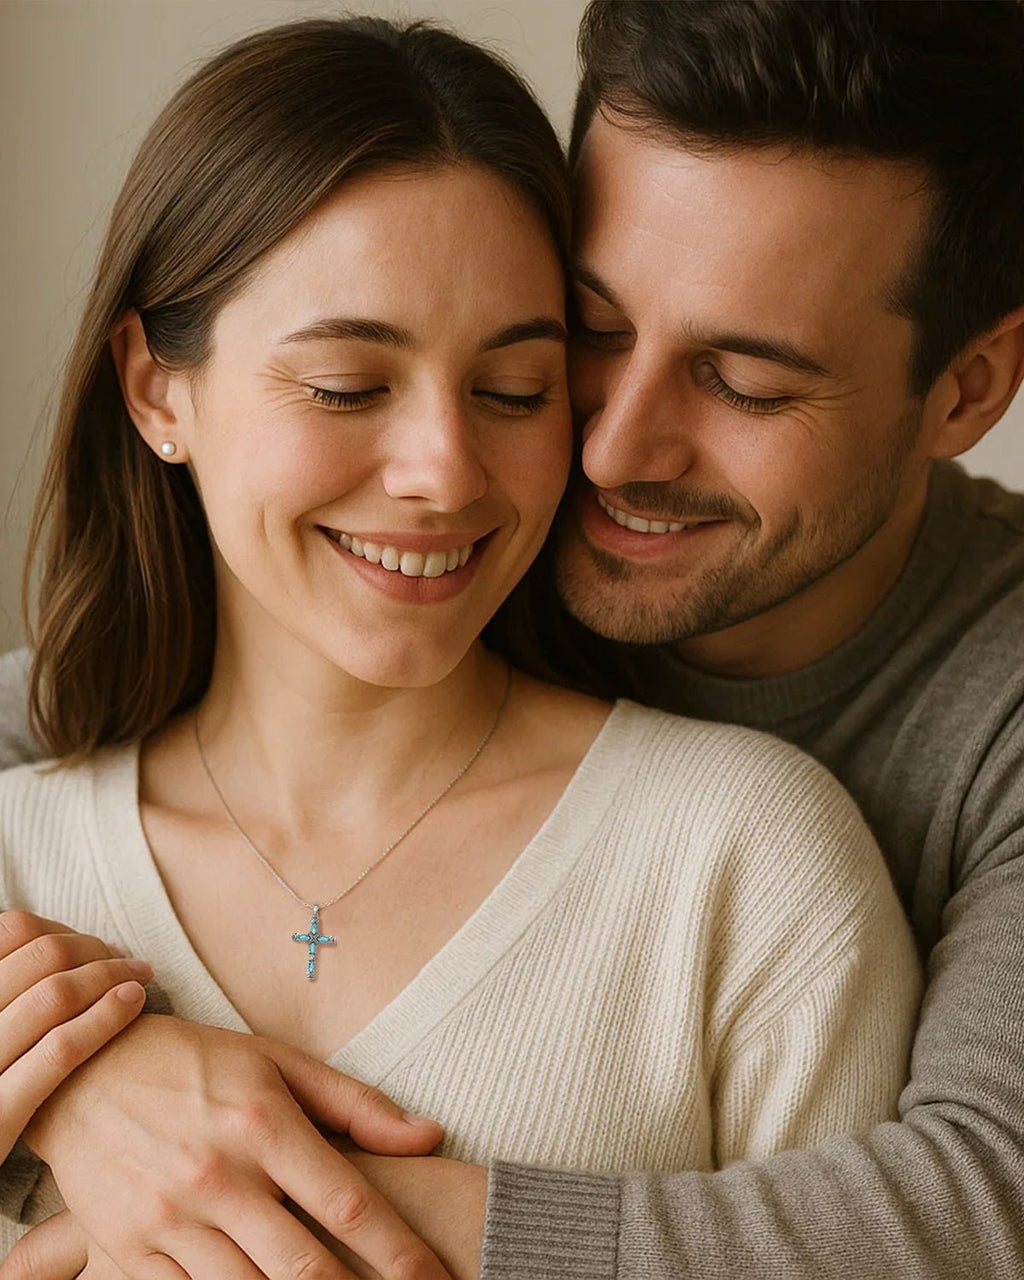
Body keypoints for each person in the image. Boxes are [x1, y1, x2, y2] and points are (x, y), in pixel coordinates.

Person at [0, 11, 921, 1279]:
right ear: (160, 390)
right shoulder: (16, 861)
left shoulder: (744, 864)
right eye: (346, 384)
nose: (443, 472)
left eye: (514, 392)